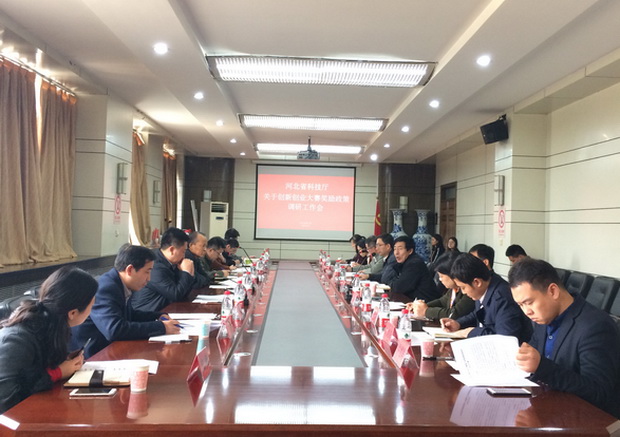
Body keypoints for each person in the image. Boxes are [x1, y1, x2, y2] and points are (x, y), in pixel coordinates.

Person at [509, 258, 620, 418]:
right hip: (551, 408)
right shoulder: (543, 318)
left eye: (529, 302)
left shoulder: (595, 326)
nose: (527, 312)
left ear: (553, 291)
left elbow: (599, 392)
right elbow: (532, 355)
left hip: (587, 420)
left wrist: (541, 367)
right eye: (521, 305)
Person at [0, 267, 97, 413]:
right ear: (72, 313)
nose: (92, 310)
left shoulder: (53, 324)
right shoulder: (17, 338)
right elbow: (6, 400)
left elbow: (34, 371)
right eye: (92, 305)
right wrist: (57, 372)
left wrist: (63, 363)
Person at [70, 244, 181, 359]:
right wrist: (161, 327)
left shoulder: (119, 282)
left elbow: (129, 315)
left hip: (108, 349)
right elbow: (114, 329)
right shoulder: (106, 288)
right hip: (92, 355)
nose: (149, 279)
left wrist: (157, 316)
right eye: (147, 272)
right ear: (130, 270)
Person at [440, 253, 532, 342]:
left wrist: (471, 332)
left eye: (463, 287)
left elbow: (505, 338)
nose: (463, 292)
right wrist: (458, 323)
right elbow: (478, 313)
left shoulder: (502, 298)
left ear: (477, 282)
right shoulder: (485, 287)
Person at [129, 227, 195, 312]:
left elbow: (184, 293)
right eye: (183, 251)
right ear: (172, 250)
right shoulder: (155, 265)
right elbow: (175, 295)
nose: (184, 256)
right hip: (146, 314)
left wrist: (189, 273)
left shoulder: (171, 263)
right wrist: (186, 272)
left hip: (163, 310)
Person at [408, 252, 474, 320]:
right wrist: (419, 306)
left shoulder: (470, 291)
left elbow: (453, 314)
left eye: (441, 276)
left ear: (453, 274)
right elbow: (442, 302)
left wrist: (426, 311)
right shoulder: (454, 288)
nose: (440, 279)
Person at [387, 236, 439, 303]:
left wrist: (391, 283)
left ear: (410, 251)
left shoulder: (414, 264)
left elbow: (399, 287)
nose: (396, 253)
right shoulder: (406, 262)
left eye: (400, 249)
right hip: (414, 300)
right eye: (395, 249)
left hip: (426, 303)